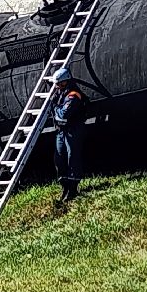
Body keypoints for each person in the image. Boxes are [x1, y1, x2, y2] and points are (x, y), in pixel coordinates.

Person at [51, 67, 87, 203]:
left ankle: (73, 188)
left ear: (66, 82)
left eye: (60, 84)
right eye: (57, 84)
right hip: (61, 131)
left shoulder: (73, 95)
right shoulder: (60, 94)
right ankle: (64, 186)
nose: (58, 87)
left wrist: (55, 107)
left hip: (73, 129)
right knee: (59, 157)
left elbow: (63, 116)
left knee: (73, 156)